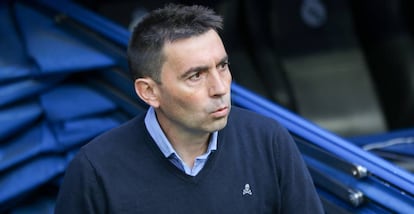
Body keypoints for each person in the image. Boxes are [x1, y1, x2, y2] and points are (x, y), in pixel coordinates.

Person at [54, 4, 324, 213]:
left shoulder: (268, 140)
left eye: (222, 66)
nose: (220, 88)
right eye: (196, 75)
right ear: (149, 92)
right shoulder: (95, 170)